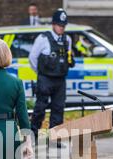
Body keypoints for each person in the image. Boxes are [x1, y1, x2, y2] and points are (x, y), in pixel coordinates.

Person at [29, 9, 75, 148]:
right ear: (53, 24)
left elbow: (68, 57)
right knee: (40, 109)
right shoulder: (43, 39)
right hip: (45, 79)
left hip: (60, 80)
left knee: (58, 109)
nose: (62, 28)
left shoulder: (67, 39)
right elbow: (32, 58)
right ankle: (32, 137)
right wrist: (41, 73)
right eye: (60, 25)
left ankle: (55, 139)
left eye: (63, 25)